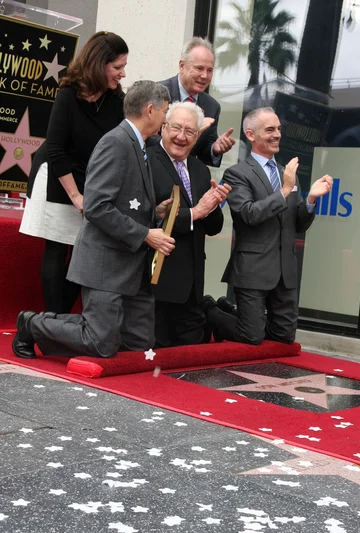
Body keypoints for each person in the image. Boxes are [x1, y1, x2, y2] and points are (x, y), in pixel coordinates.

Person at [12, 80, 175, 360]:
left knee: (139, 345)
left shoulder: (139, 145)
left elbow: (123, 201)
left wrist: (155, 213)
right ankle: (32, 324)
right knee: (101, 342)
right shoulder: (115, 142)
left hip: (131, 265)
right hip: (105, 265)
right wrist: (145, 234)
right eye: (165, 112)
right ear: (150, 110)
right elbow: (96, 207)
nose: (165, 119)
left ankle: (68, 326)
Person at [202, 107, 333, 346]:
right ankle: (211, 311)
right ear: (251, 135)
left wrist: (312, 199)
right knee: (251, 336)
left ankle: (230, 311)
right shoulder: (237, 174)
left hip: (285, 270)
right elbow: (249, 214)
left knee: (283, 337)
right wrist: (284, 190)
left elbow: (299, 223)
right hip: (253, 268)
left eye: (279, 129)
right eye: (270, 129)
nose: (277, 135)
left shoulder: (287, 174)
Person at [19, 31, 129, 313]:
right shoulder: (68, 93)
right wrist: (76, 196)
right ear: (98, 63)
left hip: (89, 180)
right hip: (58, 176)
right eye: (117, 67)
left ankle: (56, 320)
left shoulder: (118, 100)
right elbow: (55, 149)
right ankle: (51, 321)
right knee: (57, 248)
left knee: (85, 251)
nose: (123, 74)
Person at [147, 101, 230, 347]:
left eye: (190, 132)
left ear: (197, 137)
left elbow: (213, 227)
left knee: (191, 362)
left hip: (192, 288)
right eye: (176, 128)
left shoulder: (200, 169)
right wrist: (196, 211)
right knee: (154, 366)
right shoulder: (146, 163)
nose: (181, 137)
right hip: (156, 285)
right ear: (163, 127)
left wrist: (214, 204)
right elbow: (146, 217)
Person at [148, 37, 235, 166]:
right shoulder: (156, 93)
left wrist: (215, 149)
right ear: (182, 66)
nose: (205, 76)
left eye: (209, 70)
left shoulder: (212, 107)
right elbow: (145, 138)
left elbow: (203, 154)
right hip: (153, 170)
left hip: (186, 178)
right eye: (199, 68)